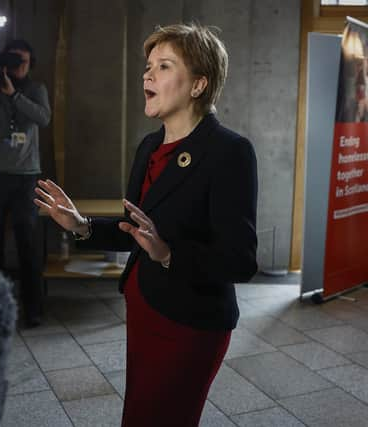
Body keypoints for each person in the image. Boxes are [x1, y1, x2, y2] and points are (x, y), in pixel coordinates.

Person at [35, 23, 258, 426]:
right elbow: (135, 229)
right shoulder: (149, 147)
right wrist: (81, 224)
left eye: (164, 66)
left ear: (197, 85)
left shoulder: (230, 152)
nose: (147, 75)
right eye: (148, 66)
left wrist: (170, 254)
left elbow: (240, 261)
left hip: (190, 323)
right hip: (144, 310)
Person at [0, 39, 51, 328]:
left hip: (26, 175)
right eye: (14, 60)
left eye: (24, 62)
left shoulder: (35, 89)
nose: (19, 66)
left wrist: (14, 94)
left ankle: (33, 309)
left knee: (28, 243)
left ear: (30, 64)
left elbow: (43, 118)